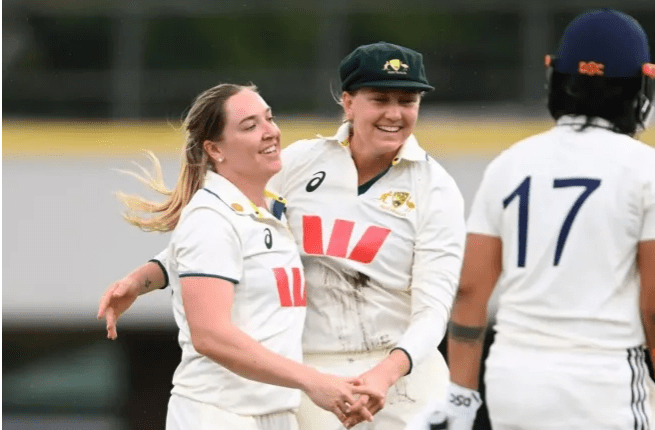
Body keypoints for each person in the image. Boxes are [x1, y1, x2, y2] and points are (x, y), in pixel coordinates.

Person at [99, 42, 466, 429]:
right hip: (312, 375)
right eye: (380, 99)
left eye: (408, 101)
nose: (394, 113)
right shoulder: (300, 162)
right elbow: (232, 225)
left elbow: (434, 309)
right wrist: (148, 275)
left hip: (402, 373)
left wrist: (385, 373)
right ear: (348, 103)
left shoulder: (436, 189)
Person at [101, 82, 383, 430]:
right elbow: (210, 335)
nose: (270, 132)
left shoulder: (266, 208)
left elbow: (185, 256)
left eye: (269, 118)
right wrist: (312, 380)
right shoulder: (210, 219)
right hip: (219, 414)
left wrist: (141, 279)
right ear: (215, 149)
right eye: (249, 126)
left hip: (274, 414)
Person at [441, 8, 655, 430]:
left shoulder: (510, 163)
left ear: (556, 78)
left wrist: (460, 398)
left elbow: (468, 290)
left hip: (512, 378)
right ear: (640, 85)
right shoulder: (645, 169)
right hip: (604, 380)